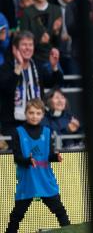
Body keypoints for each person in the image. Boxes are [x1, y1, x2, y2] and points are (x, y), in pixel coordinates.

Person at [5, 99, 70, 233]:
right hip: (28, 181)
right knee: (17, 215)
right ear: (25, 113)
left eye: (38, 113)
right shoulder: (18, 132)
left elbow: (49, 155)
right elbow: (17, 158)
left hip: (45, 180)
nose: (34, 116)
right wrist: (28, 161)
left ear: (42, 115)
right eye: (31, 113)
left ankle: (70, 231)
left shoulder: (47, 131)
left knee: (60, 211)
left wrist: (55, 157)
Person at [0, 30, 63, 138]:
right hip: (13, 124)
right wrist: (18, 68)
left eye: (30, 45)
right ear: (15, 49)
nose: (28, 48)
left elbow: (54, 83)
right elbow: (6, 90)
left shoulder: (37, 66)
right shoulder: (6, 68)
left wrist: (54, 67)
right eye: (24, 45)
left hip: (37, 121)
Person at [19, 0, 62, 66]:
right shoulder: (27, 12)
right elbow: (23, 41)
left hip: (53, 58)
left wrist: (56, 32)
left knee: (58, 78)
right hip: (33, 60)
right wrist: (39, 42)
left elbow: (59, 43)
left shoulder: (56, 10)